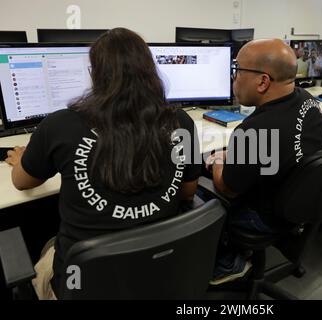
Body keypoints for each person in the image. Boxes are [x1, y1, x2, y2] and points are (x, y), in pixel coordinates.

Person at [5, 28, 201, 299]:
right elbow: (188, 192)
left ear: (94, 73)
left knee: (45, 243)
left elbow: (21, 181)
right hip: (156, 270)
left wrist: (21, 159)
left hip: (83, 284)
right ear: (150, 71)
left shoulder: (60, 125)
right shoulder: (182, 123)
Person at [204, 39, 322, 284]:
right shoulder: (307, 101)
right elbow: (282, 146)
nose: (234, 78)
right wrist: (238, 153)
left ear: (262, 81)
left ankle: (228, 262)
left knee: (198, 188)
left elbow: (226, 187)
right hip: (298, 205)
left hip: (263, 218)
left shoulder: (255, 130)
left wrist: (218, 159)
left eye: (237, 71)